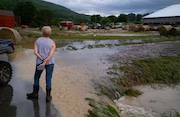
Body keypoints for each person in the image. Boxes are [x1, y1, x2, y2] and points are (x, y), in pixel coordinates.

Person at [27, 26, 56, 102]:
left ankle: (35, 94)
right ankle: (48, 96)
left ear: (42, 32)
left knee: (37, 77)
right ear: (50, 33)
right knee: (48, 79)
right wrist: (46, 61)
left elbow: (35, 52)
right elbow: (51, 55)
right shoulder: (52, 42)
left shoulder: (38, 41)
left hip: (39, 63)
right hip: (50, 63)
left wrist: (42, 60)